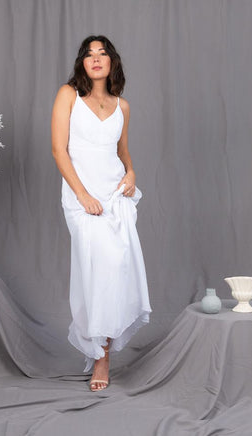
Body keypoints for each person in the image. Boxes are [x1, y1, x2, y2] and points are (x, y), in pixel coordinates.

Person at [51, 35, 152, 391]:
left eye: (102, 53)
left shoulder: (122, 106)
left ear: (112, 62)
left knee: (115, 269)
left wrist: (132, 173)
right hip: (82, 197)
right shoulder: (68, 95)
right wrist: (82, 196)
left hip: (114, 194)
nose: (96, 59)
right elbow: (59, 150)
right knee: (97, 269)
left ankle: (103, 352)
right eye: (89, 54)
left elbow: (122, 152)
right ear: (82, 62)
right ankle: (99, 354)